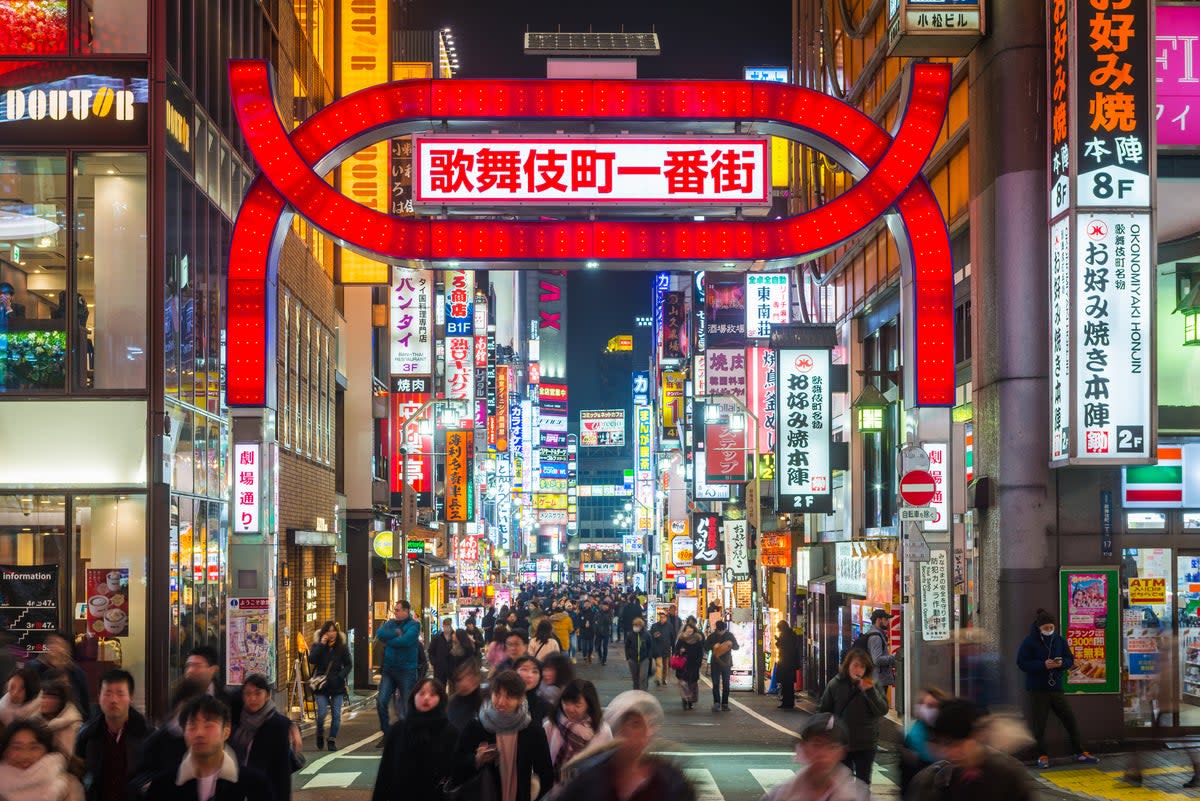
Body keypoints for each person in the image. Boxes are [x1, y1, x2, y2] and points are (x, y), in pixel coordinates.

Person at [553, 690, 693, 801]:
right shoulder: (590, 778)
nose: (646, 732)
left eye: (651, 723)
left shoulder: (670, 779)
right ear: (619, 728)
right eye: (636, 724)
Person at [143, 695, 274, 801]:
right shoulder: (163, 786)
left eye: (209, 725)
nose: (200, 733)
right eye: (192, 726)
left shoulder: (254, 785)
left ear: (226, 732)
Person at [451, 669, 554, 801]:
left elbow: (546, 774)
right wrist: (477, 760)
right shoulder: (477, 726)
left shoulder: (532, 731)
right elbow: (456, 765)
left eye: (509, 697)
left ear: (521, 698)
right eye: (497, 694)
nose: (501, 702)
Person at [908, 698, 1036, 801]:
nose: (951, 752)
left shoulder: (1006, 774)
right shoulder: (931, 782)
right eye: (946, 745)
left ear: (977, 736)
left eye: (957, 744)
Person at [1015, 608, 1098, 767]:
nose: (1049, 631)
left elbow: (1069, 659)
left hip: (1056, 687)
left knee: (1069, 719)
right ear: (1039, 628)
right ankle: (1042, 755)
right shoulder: (1029, 642)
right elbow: (1021, 662)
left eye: (1051, 628)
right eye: (1046, 628)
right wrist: (1042, 665)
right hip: (1038, 689)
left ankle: (1079, 752)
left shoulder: (1059, 640)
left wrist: (1062, 664)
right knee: (1039, 723)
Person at [372, 677, 458, 801]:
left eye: (433, 694)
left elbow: (454, 772)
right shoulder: (398, 729)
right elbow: (385, 772)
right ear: (413, 697)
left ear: (441, 700)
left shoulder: (450, 732)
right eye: (421, 693)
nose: (426, 698)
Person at [76, 669, 152, 801]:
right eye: (108, 693)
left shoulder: (147, 734)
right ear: (99, 696)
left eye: (120, 693)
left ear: (131, 696)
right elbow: (81, 773)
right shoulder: (87, 734)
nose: (113, 700)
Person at [817, 649, 888, 785]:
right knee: (843, 784)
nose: (859, 670)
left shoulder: (872, 684)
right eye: (855, 665)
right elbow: (824, 710)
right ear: (848, 665)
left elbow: (882, 710)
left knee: (863, 783)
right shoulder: (835, 684)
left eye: (862, 666)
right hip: (841, 744)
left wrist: (870, 691)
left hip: (866, 743)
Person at [760, 713, 868, 801]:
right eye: (817, 744)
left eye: (832, 747)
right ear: (803, 747)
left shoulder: (859, 796)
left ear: (842, 752)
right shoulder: (781, 795)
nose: (823, 753)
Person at [131, 678, 208, 799]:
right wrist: (150, 784)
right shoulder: (158, 739)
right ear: (179, 704)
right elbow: (139, 776)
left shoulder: (210, 739)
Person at [230, 674, 293, 801]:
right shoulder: (237, 716)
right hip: (237, 787)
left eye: (258, 693)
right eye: (247, 694)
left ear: (268, 695)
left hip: (265, 790)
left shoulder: (277, 724)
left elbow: (282, 769)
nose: (252, 698)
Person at [0, 719, 84, 801]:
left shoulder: (68, 787)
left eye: (34, 748)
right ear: (5, 751)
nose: (25, 756)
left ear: (47, 751)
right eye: (17, 747)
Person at [544, 679, 611, 780]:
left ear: (589, 705)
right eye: (566, 702)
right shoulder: (551, 725)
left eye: (577, 705)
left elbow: (607, 765)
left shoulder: (602, 731)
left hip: (587, 788)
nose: (570, 709)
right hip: (552, 787)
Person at [375, 600, 422, 733]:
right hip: (389, 669)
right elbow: (380, 634)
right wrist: (396, 633)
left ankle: (409, 733)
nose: (394, 612)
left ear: (406, 611)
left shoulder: (414, 625)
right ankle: (387, 732)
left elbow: (406, 641)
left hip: (407, 670)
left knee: (408, 705)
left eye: (397, 610)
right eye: (394, 610)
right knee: (381, 702)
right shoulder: (390, 623)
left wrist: (389, 641)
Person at [308, 621, 351, 751]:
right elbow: (312, 659)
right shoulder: (318, 646)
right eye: (328, 631)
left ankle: (332, 739)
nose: (331, 633)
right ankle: (320, 733)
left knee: (336, 715)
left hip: (337, 685)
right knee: (321, 714)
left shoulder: (342, 647)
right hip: (322, 686)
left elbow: (349, 664)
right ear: (323, 633)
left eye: (333, 631)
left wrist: (341, 676)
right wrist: (321, 644)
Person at [28, 632, 91, 716]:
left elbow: (83, 707)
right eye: (51, 643)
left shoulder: (76, 673)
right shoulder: (33, 668)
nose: (55, 648)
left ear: (68, 650)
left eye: (60, 645)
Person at [901, 686, 948, 794]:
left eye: (933, 706)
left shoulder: (949, 734)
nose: (928, 710)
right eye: (925, 705)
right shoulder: (912, 737)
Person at [39, 680, 82, 761]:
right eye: (43, 697)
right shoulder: (38, 720)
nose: (44, 701)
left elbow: (68, 757)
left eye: (50, 698)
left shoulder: (71, 724)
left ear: (61, 701)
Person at [705, 620, 739, 712]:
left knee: (726, 684)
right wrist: (713, 646)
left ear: (725, 629)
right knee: (715, 683)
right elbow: (705, 647)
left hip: (726, 663)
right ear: (717, 629)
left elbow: (736, 647)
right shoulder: (712, 636)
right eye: (719, 631)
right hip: (715, 662)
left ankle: (725, 703)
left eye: (723, 630)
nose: (721, 632)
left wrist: (729, 645)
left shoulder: (729, 635)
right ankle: (716, 703)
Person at [514, 656, 552, 729]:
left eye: (535, 671)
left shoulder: (545, 707)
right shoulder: (501, 699)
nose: (529, 675)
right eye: (524, 669)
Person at [448, 659, 485, 733]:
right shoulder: (451, 704)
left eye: (470, 678)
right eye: (460, 679)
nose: (465, 683)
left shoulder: (484, 703)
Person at [674, 622, 704, 710]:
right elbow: (676, 651)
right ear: (685, 630)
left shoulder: (697, 640)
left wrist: (699, 663)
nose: (689, 630)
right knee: (683, 683)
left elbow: (700, 652)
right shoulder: (681, 640)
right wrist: (680, 652)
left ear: (694, 630)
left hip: (694, 665)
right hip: (682, 665)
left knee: (692, 684)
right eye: (687, 628)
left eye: (691, 628)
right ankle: (685, 698)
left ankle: (690, 700)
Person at [775, 621, 800, 710]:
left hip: (785, 663)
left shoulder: (784, 635)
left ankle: (786, 702)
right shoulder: (792, 634)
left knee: (785, 683)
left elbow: (783, 647)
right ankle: (789, 702)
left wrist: (778, 641)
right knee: (789, 684)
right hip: (791, 663)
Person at [624, 617, 653, 691]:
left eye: (637, 625)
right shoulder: (631, 635)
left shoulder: (646, 635)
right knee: (635, 678)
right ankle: (636, 692)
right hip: (633, 659)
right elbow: (627, 646)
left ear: (641, 626)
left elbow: (650, 646)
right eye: (634, 625)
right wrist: (628, 657)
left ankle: (643, 693)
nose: (635, 627)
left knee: (643, 677)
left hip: (644, 659)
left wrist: (648, 656)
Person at [429, 618, 459, 686]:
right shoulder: (437, 637)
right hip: (439, 667)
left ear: (451, 626)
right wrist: (434, 662)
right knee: (439, 687)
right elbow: (431, 651)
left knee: (454, 687)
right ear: (443, 626)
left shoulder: (455, 637)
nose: (446, 628)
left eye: (448, 626)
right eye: (445, 626)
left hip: (452, 666)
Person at [649, 611, 673, 687]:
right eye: (660, 617)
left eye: (663, 617)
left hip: (666, 648)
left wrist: (674, 648)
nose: (662, 619)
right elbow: (651, 636)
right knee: (659, 664)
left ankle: (664, 679)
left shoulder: (669, 626)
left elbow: (672, 637)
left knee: (665, 666)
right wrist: (654, 635)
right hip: (657, 648)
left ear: (666, 618)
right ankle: (658, 679)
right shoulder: (654, 626)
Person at [576, 600, 597, 665]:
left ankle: (589, 655)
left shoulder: (593, 612)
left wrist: (590, 624)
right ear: (584, 604)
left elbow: (595, 621)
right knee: (584, 646)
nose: (587, 605)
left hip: (591, 631)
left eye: (588, 603)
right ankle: (585, 657)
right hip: (583, 632)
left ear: (590, 604)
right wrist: (584, 625)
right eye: (586, 603)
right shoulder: (581, 613)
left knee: (591, 646)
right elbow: (578, 622)